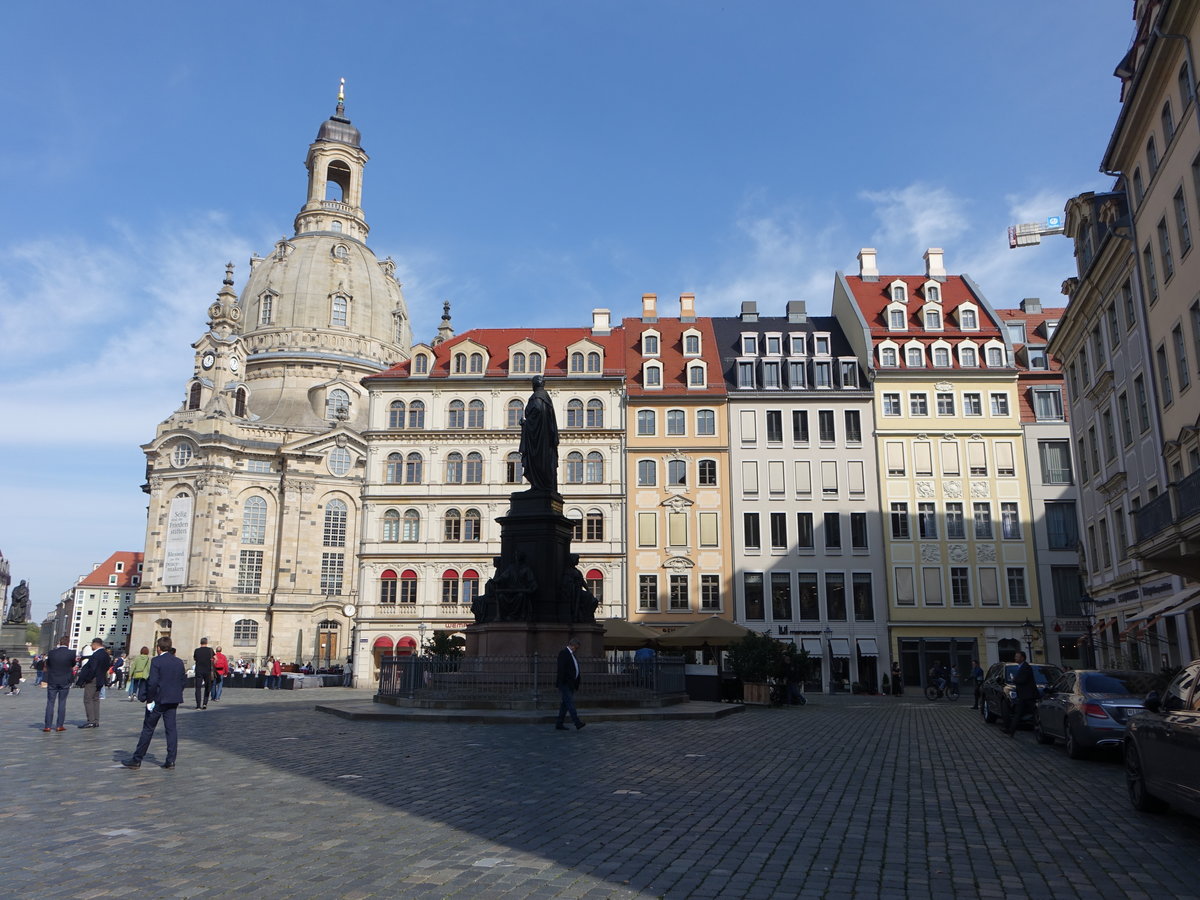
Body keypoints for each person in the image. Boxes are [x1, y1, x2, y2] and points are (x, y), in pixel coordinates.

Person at [122, 636, 187, 770]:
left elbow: (152, 683)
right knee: (171, 730)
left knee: (148, 729)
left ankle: (137, 759)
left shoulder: (156, 661)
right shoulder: (179, 662)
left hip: (158, 700)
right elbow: (182, 681)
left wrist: (149, 699)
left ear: (158, 648)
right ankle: (171, 760)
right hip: (173, 700)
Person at [518, 374, 559, 493]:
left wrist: (525, 424)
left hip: (537, 440)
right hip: (545, 439)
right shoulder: (546, 399)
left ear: (533, 385)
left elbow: (536, 417)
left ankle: (538, 485)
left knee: (537, 461)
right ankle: (541, 485)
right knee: (544, 462)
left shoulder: (536, 398)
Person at [42, 636, 76, 732]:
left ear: (60, 642)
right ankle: (59, 725)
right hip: (65, 680)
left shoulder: (52, 653)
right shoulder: (71, 653)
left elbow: (48, 664)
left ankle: (47, 726)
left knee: (50, 703)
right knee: (62, 702)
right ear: (68, 643)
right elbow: (72, 664)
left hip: (52, 680)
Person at [76, 638, 110, 728]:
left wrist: (87, 678)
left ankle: (91, 720)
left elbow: (92, 668)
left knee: (88, 699)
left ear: (95, 644)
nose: (91, 646)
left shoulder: (96, 655)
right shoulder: (106, 655)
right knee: (96, 699)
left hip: (93, 679)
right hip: (100, 679)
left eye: (92, 645)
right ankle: (96, 720)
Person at [1005, 651, 1039, 737]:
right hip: (1023, 695)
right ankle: (1011, 731)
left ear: (1022, 658)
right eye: (1015, 656)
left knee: (1035, 713)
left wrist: (1014, 680)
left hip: (1028, 695)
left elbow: (1023, 680)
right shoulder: (1021, 667)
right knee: (1018, 713)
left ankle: (1040, 730)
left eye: (1017, 656)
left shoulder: (1026, 667)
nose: (1015, 658)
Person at [554, 637, 585, 731]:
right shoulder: (564, 653)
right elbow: (561, 669)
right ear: (572, 645)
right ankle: (577, 722)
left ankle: (559, 723)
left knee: (565, 704)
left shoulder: (572, 655)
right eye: (576, 648)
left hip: (571, 683)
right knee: (570, 703)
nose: (576, 649)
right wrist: (563, 682)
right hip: (565, 683)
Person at [193, 637, 215, 709]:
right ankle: (205, 704)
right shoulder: (210, 650)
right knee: (207, 687)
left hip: (199, 670)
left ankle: (198, 705)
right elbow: (216, 659)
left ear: (200, 643)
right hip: (208, 670)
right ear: (206, 643)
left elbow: (195, 658)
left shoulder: (197, 650)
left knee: (198, 688)